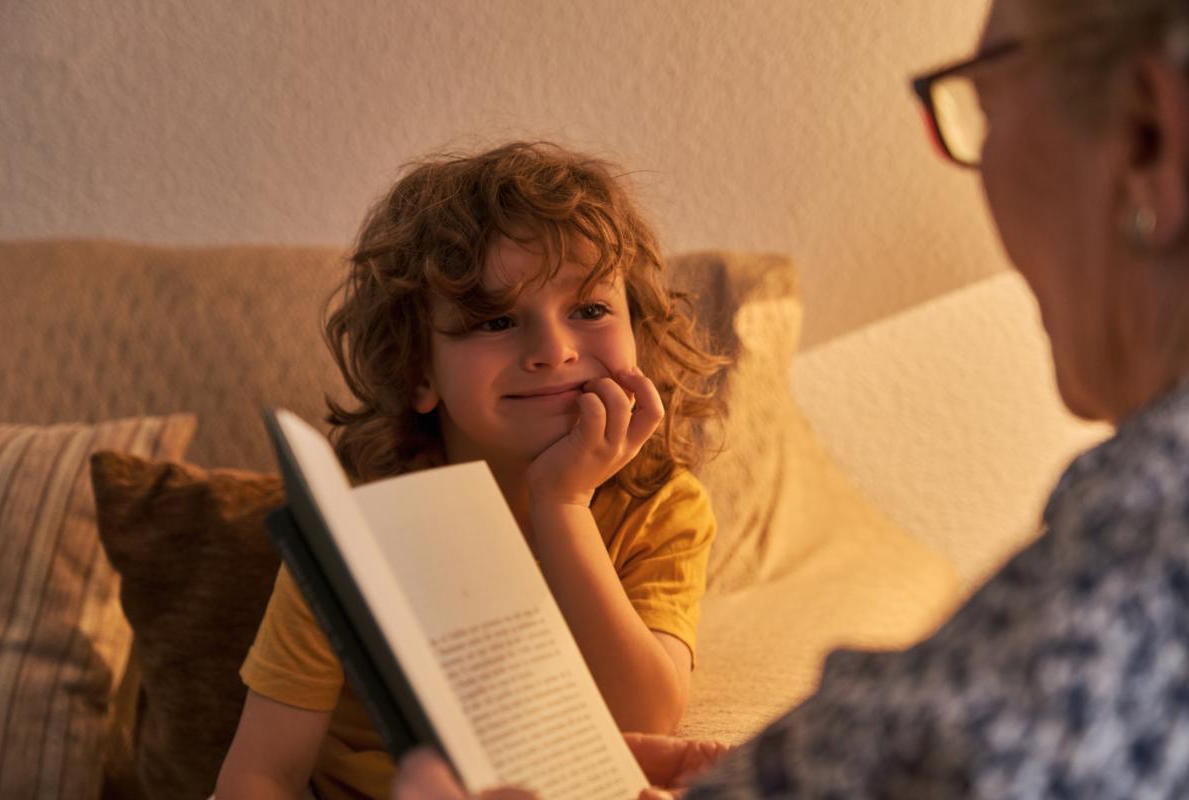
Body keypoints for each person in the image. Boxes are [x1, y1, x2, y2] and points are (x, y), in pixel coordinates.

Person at [396, 0, 1189, 796]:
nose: (552, 349)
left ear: (1149, 137)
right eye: (495, 318)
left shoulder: (1145, 548)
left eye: (982, 108)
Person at [214, 141, 726, 799]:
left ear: (638, 335)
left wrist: (562, 505)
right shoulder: (362, 529)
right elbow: (262, 771)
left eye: (590, 309)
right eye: (497, 320)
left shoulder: (659, 506)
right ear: (418, 371)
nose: (553, 350)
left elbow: (644, 719)